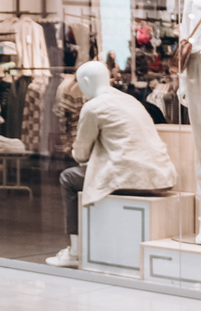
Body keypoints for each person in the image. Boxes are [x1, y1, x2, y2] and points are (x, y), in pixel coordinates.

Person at [48, 61, 176, 266]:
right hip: (163, 175)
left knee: (68, 177)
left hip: (131, 178)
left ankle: (74, 250)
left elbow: (81, 154)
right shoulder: (131, 100)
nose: (80, 90)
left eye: (80, 84)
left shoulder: (92, 107)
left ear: (87, 81)